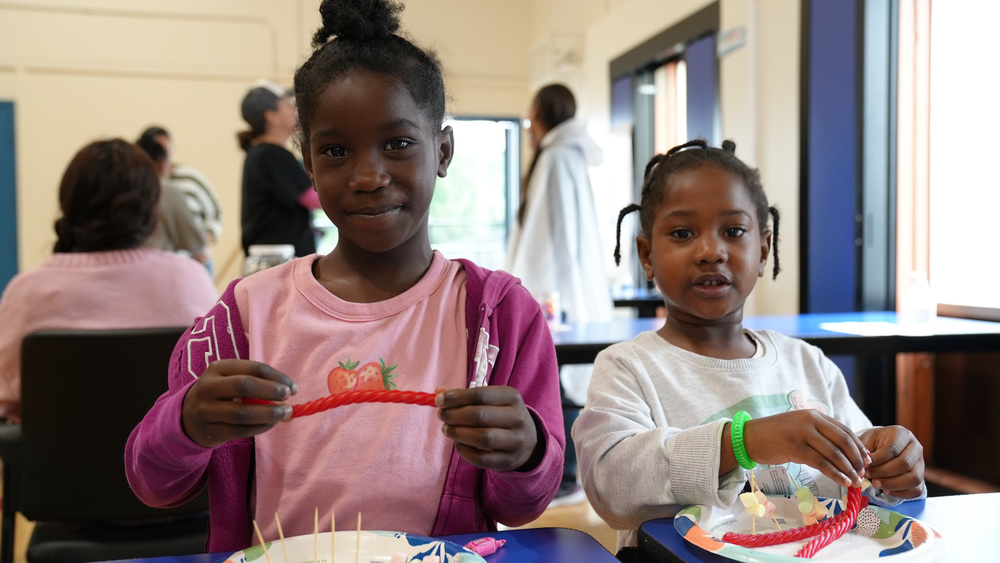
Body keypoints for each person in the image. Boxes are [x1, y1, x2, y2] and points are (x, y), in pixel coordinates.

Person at [125, 0, 564, 552]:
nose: (368, 176)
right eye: (334, 151)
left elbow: (522, 505)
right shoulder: (244, 315)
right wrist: (187, 423)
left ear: (443, 151)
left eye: (399, 144)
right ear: (308, 164)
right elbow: (152, 482)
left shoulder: (498, 315)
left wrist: (526, 452)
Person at [572, 139, 925, 554]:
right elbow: (611, 486)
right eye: (683, 233)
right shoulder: (628, 367)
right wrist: (743, 442)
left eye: (734, 231)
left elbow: (858, 483)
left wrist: (890, 470)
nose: (711, 251)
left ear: (763, 250)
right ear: (646, 255)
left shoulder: (807, 363)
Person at [0, 139, 219, 422]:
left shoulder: (26, 292)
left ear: (69, 204)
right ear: (152, 208)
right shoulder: (190, 278)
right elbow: (213, 385)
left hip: (55, 465)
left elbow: (5, 399)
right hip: (168, 464)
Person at [505, 83, 613, 506]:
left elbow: (551, 241)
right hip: (566, 288)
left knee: (561, 380)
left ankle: (566, 472)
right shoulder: (566, 155)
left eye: (531, 117)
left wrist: (538, 293)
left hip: (556, 291)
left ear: (542, 115)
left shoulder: (555, 157)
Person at [238, 79, 322, 258]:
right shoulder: (272, 155)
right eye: (287, 104)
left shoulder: (260, 153)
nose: (294, 110)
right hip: (278, 260)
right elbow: (314, 199)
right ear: (271, 117)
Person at [136, 126, 210, 266]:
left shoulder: (123, 188)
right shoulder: (165, 190)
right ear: (161, 162)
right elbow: (193, 243)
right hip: (161, 267)